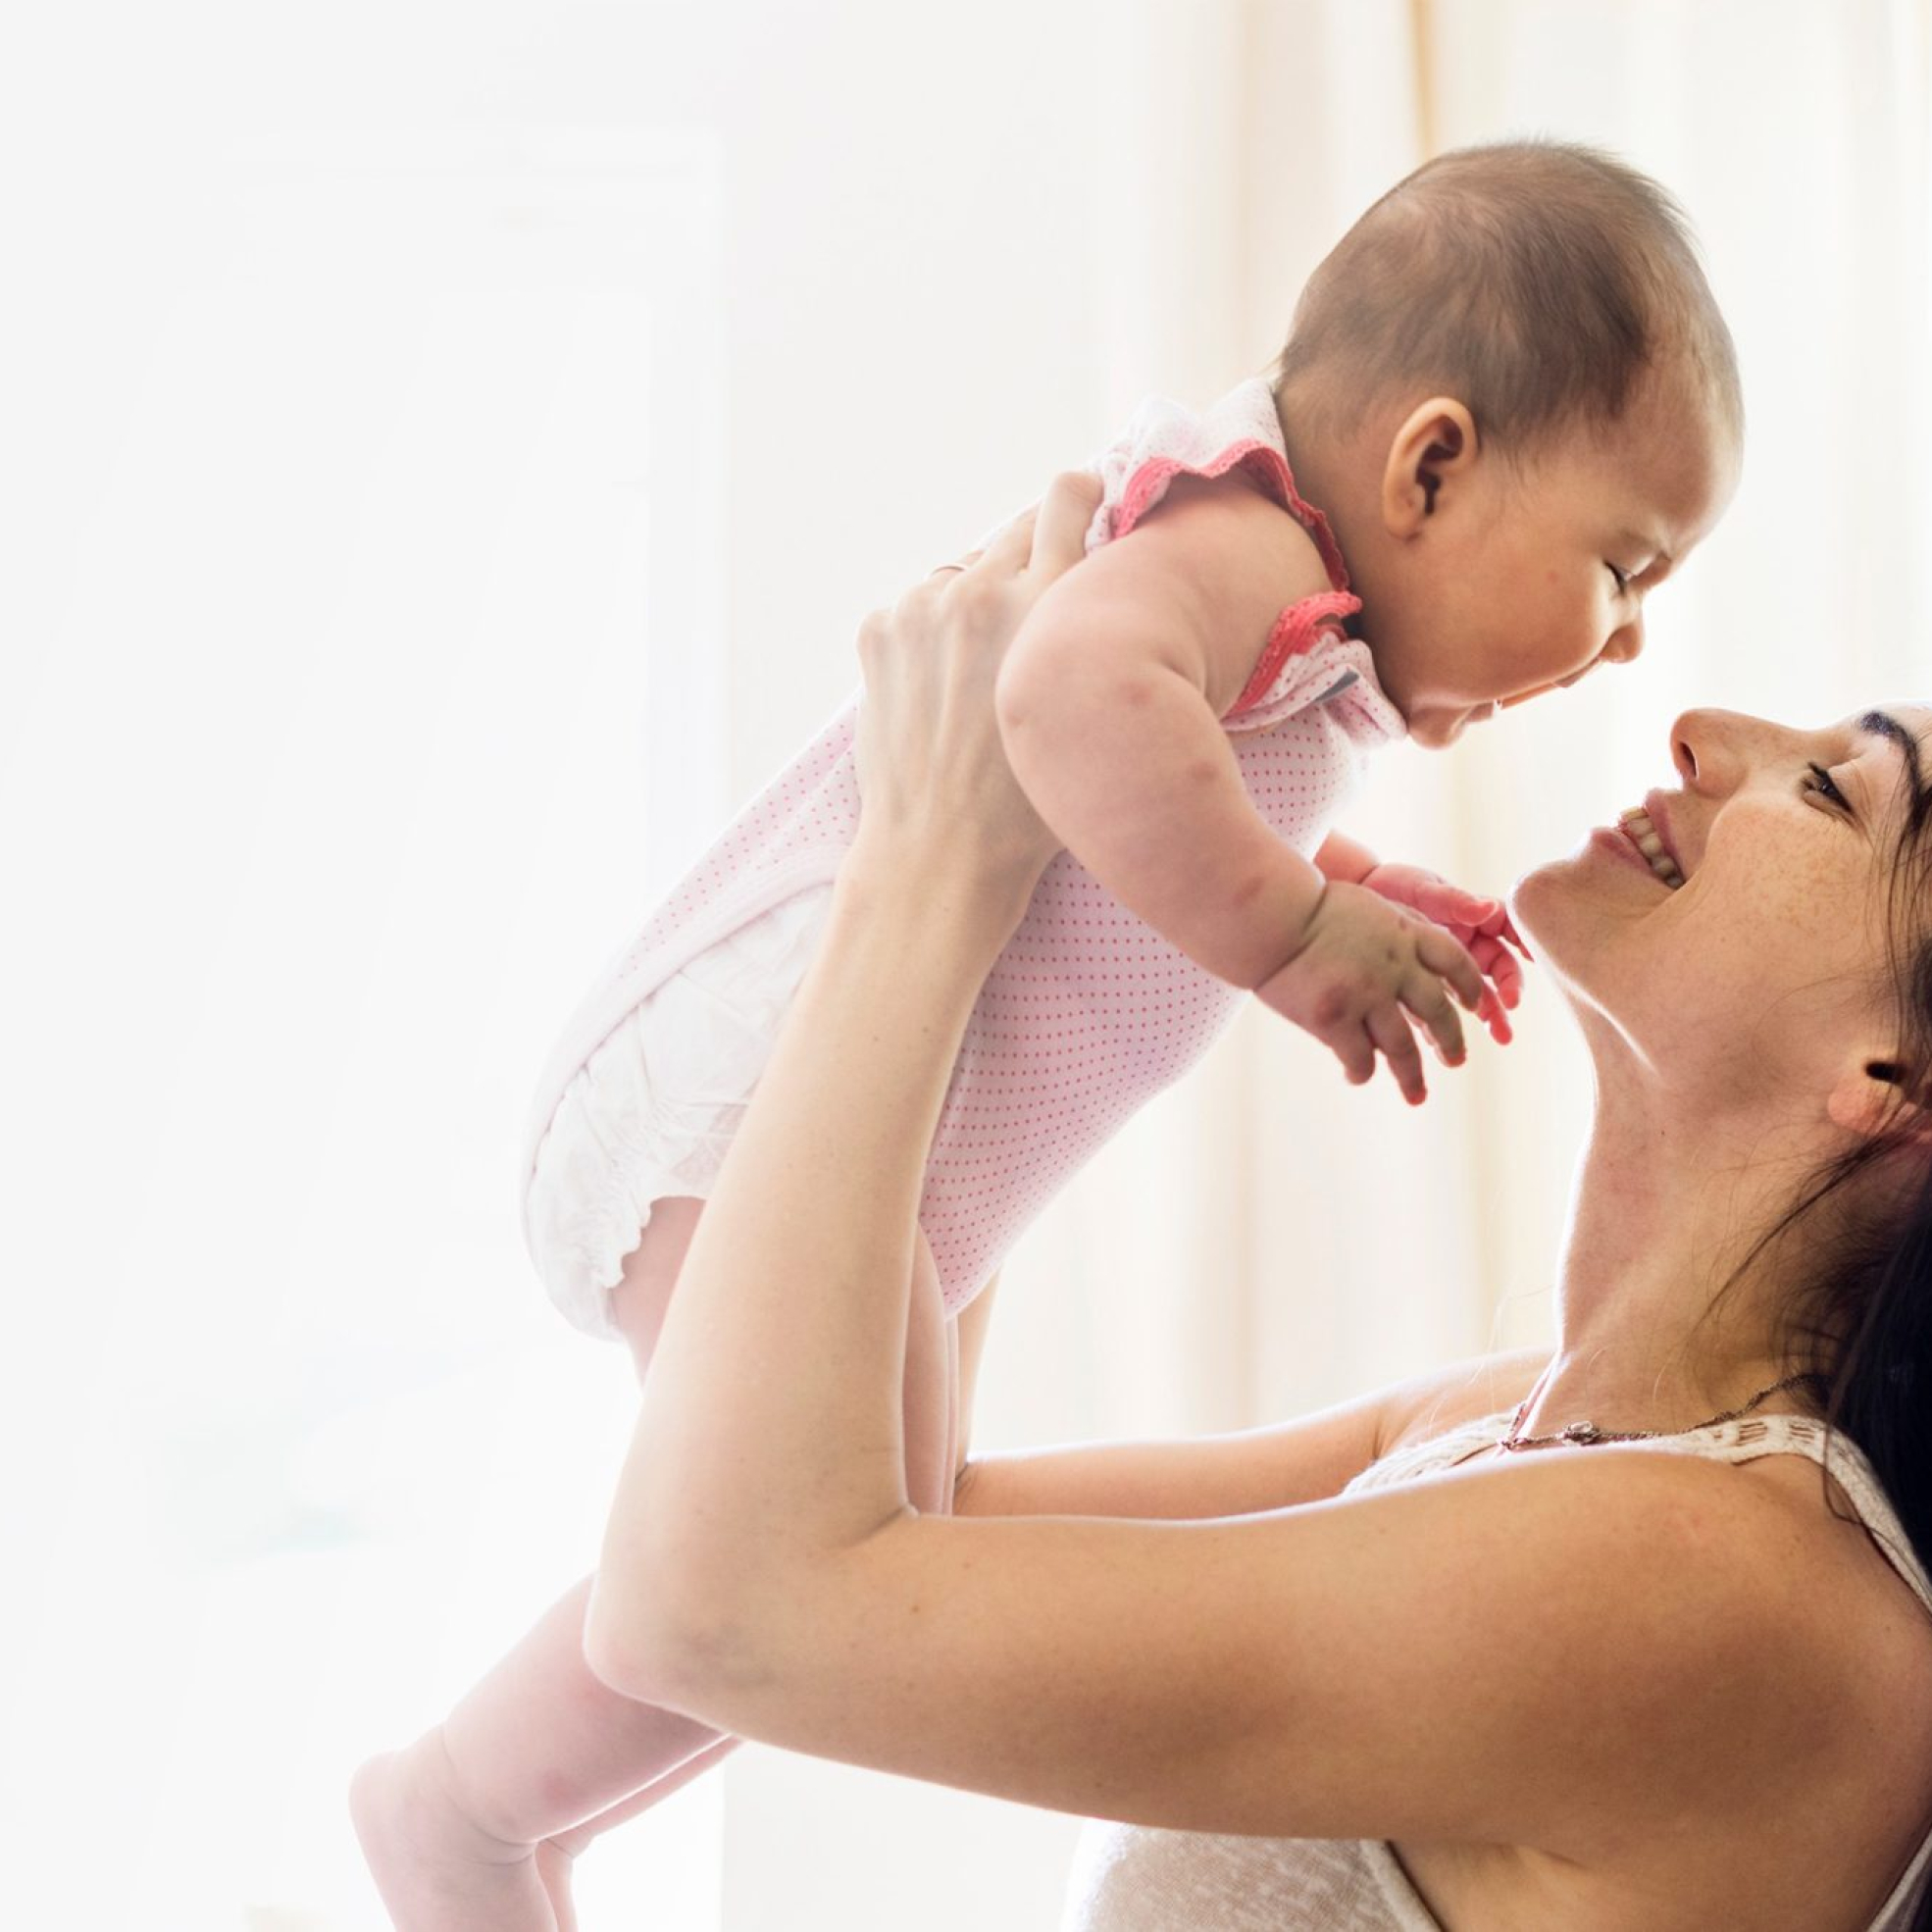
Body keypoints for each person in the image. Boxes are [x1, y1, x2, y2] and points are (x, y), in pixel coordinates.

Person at [351, 140, 1740, 1930]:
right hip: (755, 1068)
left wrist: (1344, 878)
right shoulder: (1240, 538)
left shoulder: (1288, 627)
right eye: (1621, 567)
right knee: (790, 1570)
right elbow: (1067, 694)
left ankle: (511, 1812)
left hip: (886, 1119)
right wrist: (1298, 932)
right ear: (1432, 461)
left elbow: (1143, 810)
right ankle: (463, 1808)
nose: (1630, 643)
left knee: (864, 1560)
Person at [579, 478, 1932, 1928]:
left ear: (1891, 1075)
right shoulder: (1523, 1434)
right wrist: (1053, 898)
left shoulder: (1712, 1582)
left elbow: (726, 1607)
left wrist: (929, 860)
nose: (1703, 730)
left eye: (1831, 790)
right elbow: (897, 1507)